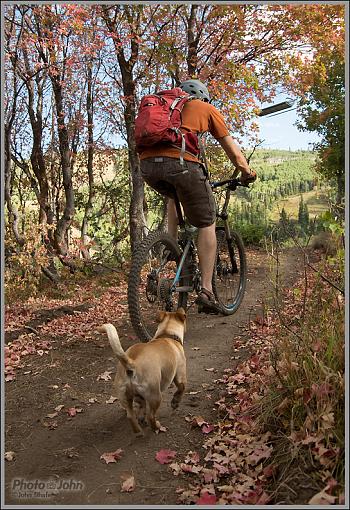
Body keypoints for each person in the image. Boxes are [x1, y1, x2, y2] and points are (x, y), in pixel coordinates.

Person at [139, 79, 257, 314]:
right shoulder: (206, 108)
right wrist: (247, 172)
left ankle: (170, 246)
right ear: (202, 96)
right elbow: (232, 150)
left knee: (175, 196)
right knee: (207, 221)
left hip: (148, 167)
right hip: (183, 165)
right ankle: (206, 290)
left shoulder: (163, 107)